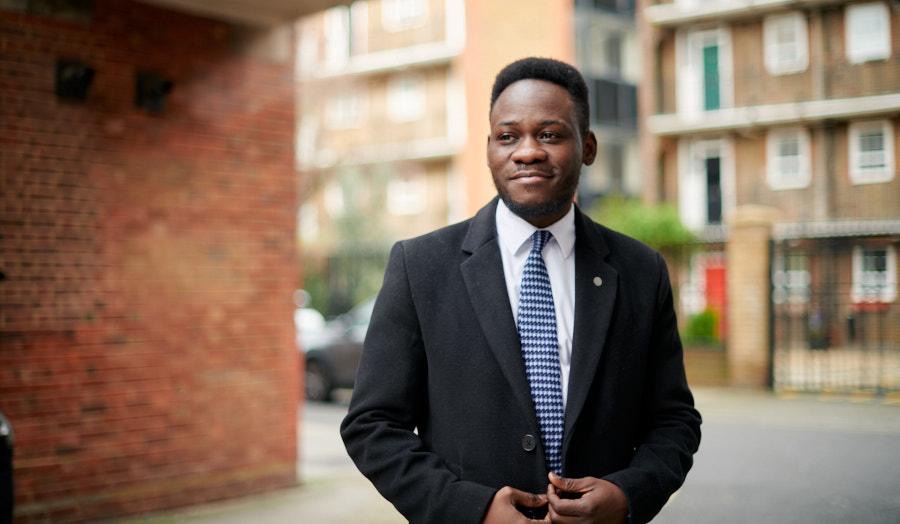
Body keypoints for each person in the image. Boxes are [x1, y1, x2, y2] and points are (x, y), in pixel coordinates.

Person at [340, 57, 701, 524]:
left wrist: (627, 495)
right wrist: (473, 510)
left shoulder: (639, 270)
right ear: (490, 148)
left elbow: (674, 420)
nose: (527, 151)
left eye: (549, 134)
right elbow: (371, 426)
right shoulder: (421, 266)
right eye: (507, 136)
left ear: (587, 146)